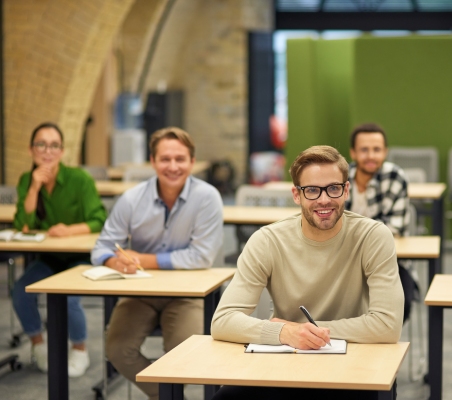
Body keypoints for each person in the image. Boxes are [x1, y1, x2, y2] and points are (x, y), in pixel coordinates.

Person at [211, 145, 403, 400]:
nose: (324, 199)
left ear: (346, 190)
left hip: (354, 361)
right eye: (311, 190)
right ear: (296, 195)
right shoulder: (267, 240)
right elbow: (223, 320)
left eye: (333, 188)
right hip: (284, 362)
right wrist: (284, 334)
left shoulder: (373, 236)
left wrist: (298, 331)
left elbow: (387, 326)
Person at [91, 127, 223, 400]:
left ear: (192, 161)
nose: (172, 166)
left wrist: (143, 260)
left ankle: (168, 393)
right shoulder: (131, 199)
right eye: (165, 159)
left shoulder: (207, 197)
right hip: (141, 293)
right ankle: (167, 396)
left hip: (188, 294)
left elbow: (202, 256)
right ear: (152, 162)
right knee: (117, 349)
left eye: (180, 159)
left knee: (183, 356)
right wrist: (116, 262)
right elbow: (101, 247)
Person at [12, 122, 107, 377]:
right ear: (31, 150)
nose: (47, 151)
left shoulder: (79, 179)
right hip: (50, 257)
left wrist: (70, 230)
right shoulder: (26, 179)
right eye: (41, 145)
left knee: (68, 295)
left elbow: (99, 220)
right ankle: (38, 345)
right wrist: (34, 187)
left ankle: (79, 348)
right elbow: (23, 225)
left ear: (62, 151)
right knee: (20, 292)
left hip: (80, 257)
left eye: (54, 145)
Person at [346, 123, 417, 322]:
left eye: (376, 150)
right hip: (344, 261)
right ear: (353, 153)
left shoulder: (395, 177)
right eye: (364, 150)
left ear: (385, 152)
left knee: (400, 308)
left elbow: (395, 228)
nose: (371, 156)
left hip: (389, 260)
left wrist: (351, 234)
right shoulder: (341, 178)